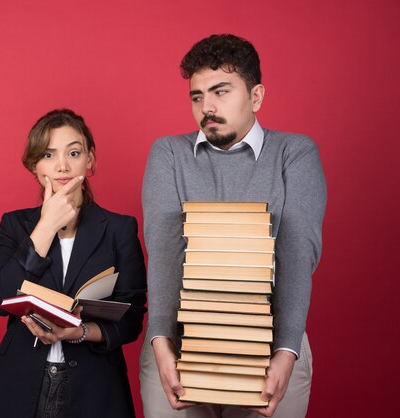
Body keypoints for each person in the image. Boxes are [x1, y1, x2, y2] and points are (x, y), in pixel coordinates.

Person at [140, 34, 326, 418]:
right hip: (179, 342)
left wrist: (287, 350)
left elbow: (296, 253)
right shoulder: (169, 154)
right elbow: (163, 254)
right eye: (197, 96)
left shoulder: (295, 153)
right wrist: (161, 342)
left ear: (256, 96)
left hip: (272, 339)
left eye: (221, 92)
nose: (207, 106)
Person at [0, 109, 147, 418]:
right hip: (19, 383)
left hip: (95, 387)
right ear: (35, 166)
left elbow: (131, 319)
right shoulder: (15, 225)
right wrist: (46, 226)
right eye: (49, 155)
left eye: (74, 152)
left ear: (89, 160)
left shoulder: (119, 229)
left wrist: (76, 332)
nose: (62, 166)